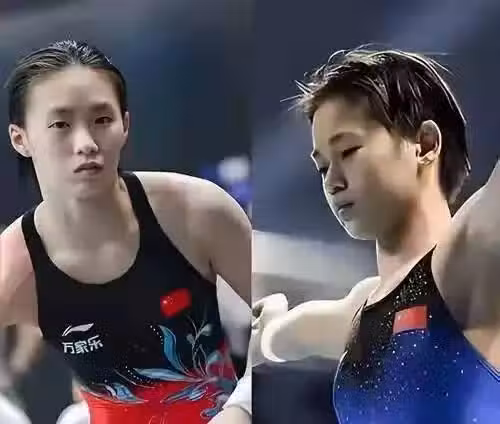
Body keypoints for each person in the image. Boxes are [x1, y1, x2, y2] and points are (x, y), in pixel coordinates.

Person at [0, 40, 251, 424]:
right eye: (60, 125)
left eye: (102, 120)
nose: (86, 144)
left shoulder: (199, 212)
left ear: (126, 125)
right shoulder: (12, 266)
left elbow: (277, 322)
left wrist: (242, 407)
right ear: (21, 139)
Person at [257, 47, 500, 423]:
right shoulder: (358, 313)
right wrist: (268, 325)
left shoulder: (469, 261)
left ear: (425, 145)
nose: (332, 182)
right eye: (322, 168)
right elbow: (278, 337)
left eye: (348, 151)